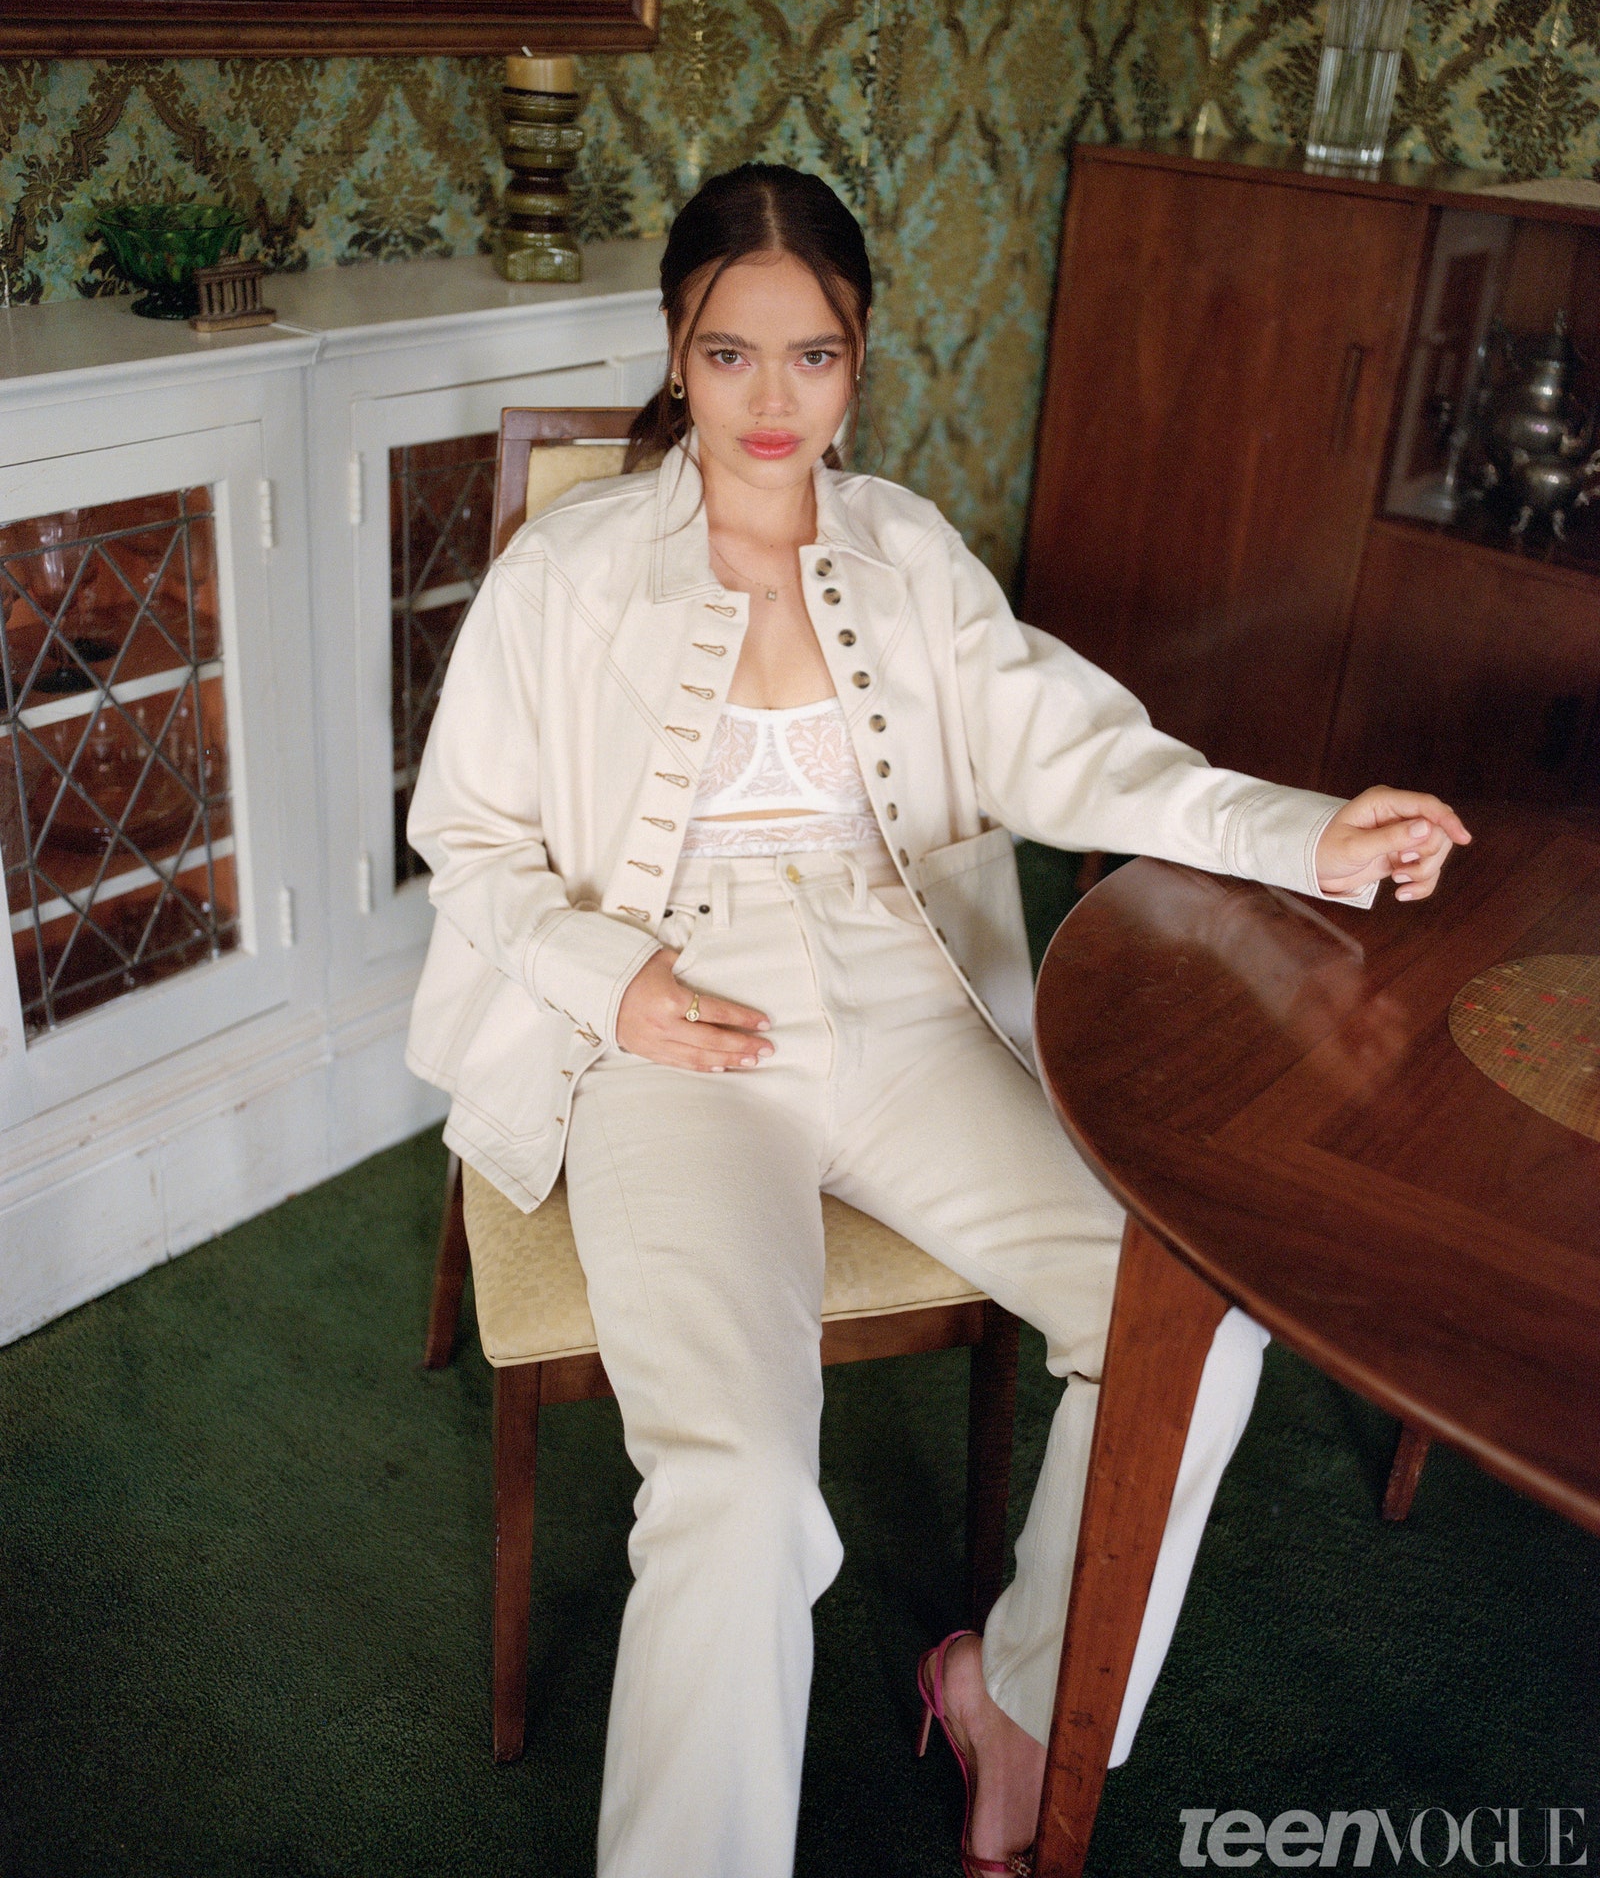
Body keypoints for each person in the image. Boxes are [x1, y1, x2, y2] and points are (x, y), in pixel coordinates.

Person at [405, 163, 1469, 1878]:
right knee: (740, 1488)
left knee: (1191, 1328)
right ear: (674, 352)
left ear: (860, 359)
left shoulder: (909, 556)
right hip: (675, 1036)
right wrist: (621, 986)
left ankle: (1023, 1701)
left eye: (811, 357)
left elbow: (1087, 756)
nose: (773, 401)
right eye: (731, 354)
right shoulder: (568, 573)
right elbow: (465, 849)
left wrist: (1305, 828)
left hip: (901, 1005)